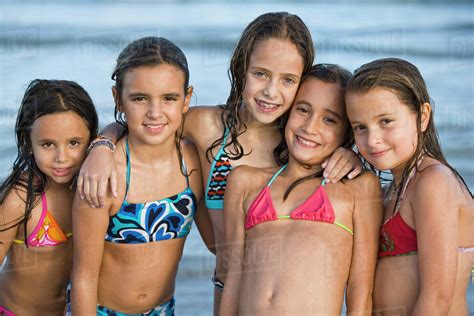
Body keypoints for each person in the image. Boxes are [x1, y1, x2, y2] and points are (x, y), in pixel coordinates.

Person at [77, 12, 362, 314]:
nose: (271, 91)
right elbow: (150, 120)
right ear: (241, 68)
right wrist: (102, 145)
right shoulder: (205, 127)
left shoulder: (303, 145)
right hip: (226, 285)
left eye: (287, 80)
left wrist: (349, 152)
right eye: (261, 74)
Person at [220, 64, 383, 315]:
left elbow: (360, 290)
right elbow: (232, 277)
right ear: (287, 112)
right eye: (303, 110)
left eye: (329, 119)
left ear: (346, 131)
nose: (310, 127)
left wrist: (353, 156)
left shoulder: (357, 187)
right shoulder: (243, 181)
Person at [70, 36, 214, 315]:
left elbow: (217, 244)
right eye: (139, 98)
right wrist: (101, 145)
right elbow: (83, 278)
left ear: (187, 99)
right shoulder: (103, 174)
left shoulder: (192, 165)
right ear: (118, 99)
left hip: (164, 310)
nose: (155, 113)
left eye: (169, 98)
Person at [345, 57, 474, 315]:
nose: (373, 140)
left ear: (422, 116)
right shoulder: (389, 191)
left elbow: (437, 297)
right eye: (360, 127)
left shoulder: (434, 182)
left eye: (386, 121)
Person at [0, 79, 98, 314]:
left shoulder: (86, 187)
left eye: (74, 143)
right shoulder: (21, 198)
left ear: (92, 139)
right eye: (48, 144)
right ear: (28, 142)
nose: (61, 157)